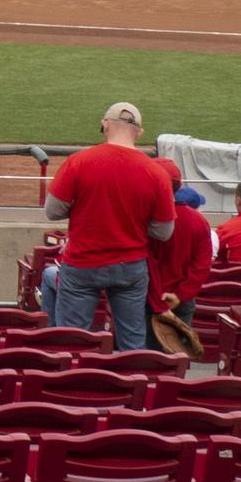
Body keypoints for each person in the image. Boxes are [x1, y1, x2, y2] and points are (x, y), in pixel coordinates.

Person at [44, 102, 176, 352]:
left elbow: (52, 211)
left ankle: (70, 388)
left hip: (83, 263)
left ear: (105, 125)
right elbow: (164, 231)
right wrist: (132, 222)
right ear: (139, 132)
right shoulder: (156, 173)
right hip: (131, 266)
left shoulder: (79, 162)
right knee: (132, 343)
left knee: (72, 342)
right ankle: (132, 388)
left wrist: (86, 210)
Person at [148, 157, 213, 328]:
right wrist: (180, 294)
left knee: (140, 353)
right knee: (178, 353)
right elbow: (202, 266)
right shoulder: (198, 221)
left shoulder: (142, 217)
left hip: (146, 298)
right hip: (180, 301)